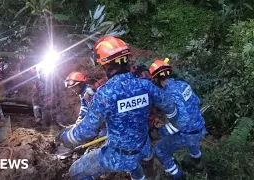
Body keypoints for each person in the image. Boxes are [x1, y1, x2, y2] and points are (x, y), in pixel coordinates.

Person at [56, 36, 179, 180]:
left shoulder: (105, 94)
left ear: (105, 65)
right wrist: (169, 129)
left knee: (76, 172)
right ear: (126, 60)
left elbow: (86, 131)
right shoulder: (146, 86)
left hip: (118, 155)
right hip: (144, 148)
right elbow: (171, 107)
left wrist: (64, 136)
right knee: (135, 165)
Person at [149, 59, 207, 179]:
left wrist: (162, 131)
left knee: (159, 150)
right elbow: (197, 101)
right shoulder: (183, 84)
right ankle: (197, 162)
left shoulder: (169, 94)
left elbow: (182, 120)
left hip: (188, 133)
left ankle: (177, 175)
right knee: (192, 140)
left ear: (155, 79)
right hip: (200, 126)